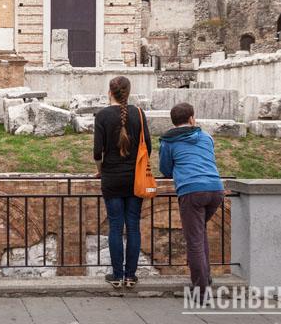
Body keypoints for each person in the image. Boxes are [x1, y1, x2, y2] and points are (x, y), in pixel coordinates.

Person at [159, 102, 224, 300]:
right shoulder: (206, 137)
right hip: (215, 189)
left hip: (191, 191)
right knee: (200, 233)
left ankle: (201, 291)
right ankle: (206, 278)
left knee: (194, 240)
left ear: (173, 122)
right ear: (191, 119)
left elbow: (165, 169)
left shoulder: (169, 142)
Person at [93, 75, 151, 289]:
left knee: (116, 227)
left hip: (111, 179)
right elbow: (149, 148)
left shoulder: (102, 115)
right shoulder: (139, 113)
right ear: (129, 92)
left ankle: (117, 275)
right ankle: (130, 276)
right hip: (135, 179)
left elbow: (97, 152)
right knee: (133, 227)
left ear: (110, 92)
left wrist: (100, 171)